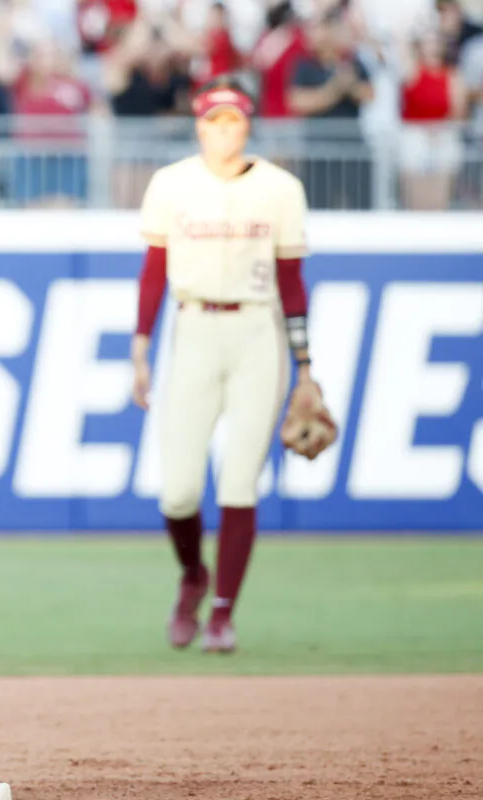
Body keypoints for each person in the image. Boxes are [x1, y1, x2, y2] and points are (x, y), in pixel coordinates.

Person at [130, 76, 324, 654]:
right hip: (191, 328)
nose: (223, 131)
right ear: (199, 125)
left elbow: (292, 282)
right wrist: (140, 346)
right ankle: (194, 575)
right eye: (213, 121)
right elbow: (154, 269)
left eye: (233, 121)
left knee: (240, 482)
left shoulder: (280, 189)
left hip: (255, 331)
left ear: (248, 124)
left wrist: (305, 365)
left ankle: (222, 614)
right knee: (179, 494)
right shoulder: (172, 183)